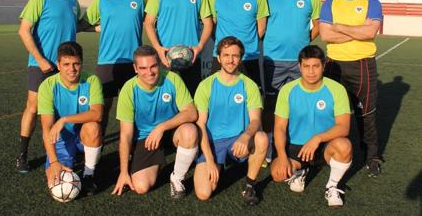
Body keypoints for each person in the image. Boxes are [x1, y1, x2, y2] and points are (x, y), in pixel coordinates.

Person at [319, 0, 383, 177]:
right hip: (334, 65)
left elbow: (369, 33)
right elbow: (325, 35)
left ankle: (372, 156)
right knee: (330, 111)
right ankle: (328, 151)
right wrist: (357, 29)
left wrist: (339, 26)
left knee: (366, 113)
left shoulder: (372, 3)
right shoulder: (329, 4)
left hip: (363, 64)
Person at [17, 0, 81, 173]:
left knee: (67, 110)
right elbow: (24, 30)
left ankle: (71, 149)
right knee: (33, 108)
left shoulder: (73, 2)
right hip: (41, 65)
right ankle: (22, 154)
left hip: (66, 67)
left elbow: (75, 26)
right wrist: (41, 59)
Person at [112, 45, 198, 198]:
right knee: (141, 187)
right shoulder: (129, 89)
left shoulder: (172, 79)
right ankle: (156, 162)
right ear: (135, 68)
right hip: (146, 138)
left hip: (171, 131)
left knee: (190, 131)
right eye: (143, 68)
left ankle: (177, 178)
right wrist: (124, 172)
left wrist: (161, 127)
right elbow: (125, 135)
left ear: (159, 64)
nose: (149, 72)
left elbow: (191, 112)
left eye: (153, 66)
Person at [271, 45, 352, 207]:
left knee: (345, 146)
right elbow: (279, 127)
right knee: (277, 174)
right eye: (306, 66)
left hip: (324, 146)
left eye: (315, 66)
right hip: (296, 147)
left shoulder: (337, 89)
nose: (311, 71)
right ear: (299, 67)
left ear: (323, 66)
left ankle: (332, 186)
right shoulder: (287, 90)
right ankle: (301, 170)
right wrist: (281, 155)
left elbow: (344, 127)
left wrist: (317, 138)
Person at [193, 36, 268, 205]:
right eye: (226, 55)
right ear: (218, 58)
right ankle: (220, 164)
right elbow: (201, 126)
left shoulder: (249, 85)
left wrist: (245, 136)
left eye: (235, 56)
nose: (230, 60)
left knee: (261, 138)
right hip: (213, 143)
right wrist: (211, 162)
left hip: (238, 141)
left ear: (240, 58)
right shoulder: (206, 85)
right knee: (204, 193)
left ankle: (250, 185)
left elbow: (256, 120)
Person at [263, 0, 321, 163]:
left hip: (301, 63)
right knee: (271, 105)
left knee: (300, 104)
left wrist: (304, 42)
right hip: (273, 60)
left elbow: (318, 25)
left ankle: (296, 146)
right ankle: (269, 151)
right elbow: (261, 25)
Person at [84, 0, 145, 138]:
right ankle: (97, 146)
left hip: (133, 63)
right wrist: (97, 28)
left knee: (132, 108)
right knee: (102, 108)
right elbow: (82, 24)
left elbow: (150, 21)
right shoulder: (103, 0)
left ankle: (133, 146)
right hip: (107, 62)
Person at [144, 0, 213, 95]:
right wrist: (158, 49)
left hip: (191, 58)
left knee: (192, 104)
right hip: (166, 58)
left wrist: (199, 47)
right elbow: (148, 23)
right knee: (165, 103)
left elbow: (208, 23)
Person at [38, 41, 103, 195]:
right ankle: (72, 156)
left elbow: (97, 114)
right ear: (58, 65)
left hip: (83, 135)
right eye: (66, 64)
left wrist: (64, 119)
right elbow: (47, 127)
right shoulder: (48, 86)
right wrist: (54, 161)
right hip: (61, 139)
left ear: (81, 63)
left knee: (93, 127)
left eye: (76, 64)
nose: (72, 69)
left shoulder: (91, 80)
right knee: (54, 180)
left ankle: (88, 174)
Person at [208, 0, 269, 86]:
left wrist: (248, 42)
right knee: (216, 98)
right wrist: (224, 46)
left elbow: (261, 28)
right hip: (222, 57)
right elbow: (212, 26)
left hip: (249, 56)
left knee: (252, 99)